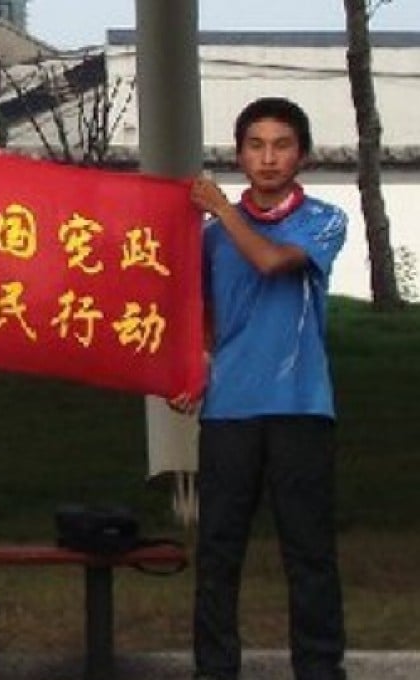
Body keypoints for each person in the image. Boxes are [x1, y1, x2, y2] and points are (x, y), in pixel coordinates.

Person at [175, 97, 348, 680]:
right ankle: (215, 670)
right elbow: (203, 319)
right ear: (239, 153)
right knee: (219, 552)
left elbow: (274, 262)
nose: (268, 158)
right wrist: (192, 372)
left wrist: (223, 210)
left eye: (281, 145)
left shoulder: (322, 219)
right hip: (229, 411)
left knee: (309, 553)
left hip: (301, 406)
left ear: (302, 154)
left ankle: (321, 669)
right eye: (256, 145)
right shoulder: (209, 236)